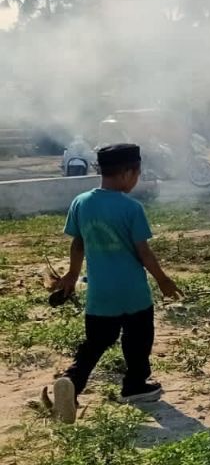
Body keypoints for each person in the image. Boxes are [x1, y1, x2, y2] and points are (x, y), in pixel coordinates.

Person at [47, 143, 180, 423]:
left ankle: (71, 383)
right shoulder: (131, 208)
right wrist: (164, 281)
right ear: (127, 173)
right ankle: (134, 386)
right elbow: (144, 252)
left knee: (95, 343)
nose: (136, 180)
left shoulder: (81, 202)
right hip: (132, 293)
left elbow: (78, 243)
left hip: (100, 294)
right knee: (139, 339)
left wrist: (72, 275)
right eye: (137, 174)